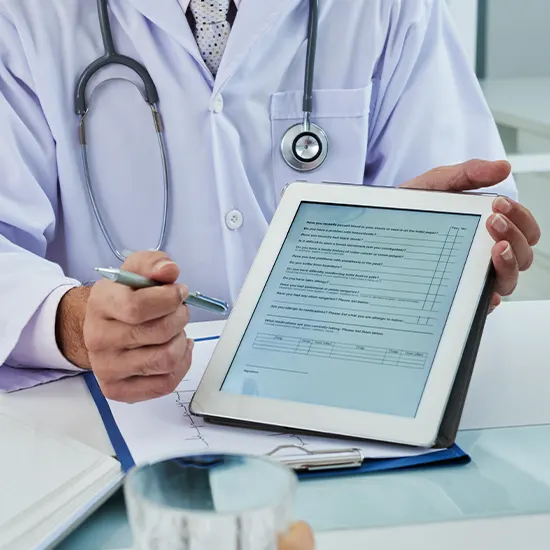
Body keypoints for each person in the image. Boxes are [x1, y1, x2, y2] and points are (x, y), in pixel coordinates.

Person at [0, 0, 540, 399]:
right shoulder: (24, 16)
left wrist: (448, 248)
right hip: (106, 409)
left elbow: (459, 197)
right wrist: (73, 323)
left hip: (342, 386)